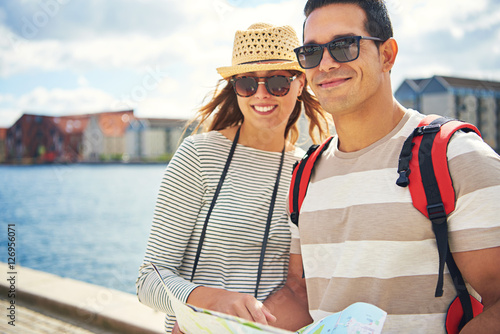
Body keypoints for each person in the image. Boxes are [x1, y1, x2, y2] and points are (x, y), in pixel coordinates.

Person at [264, 1, 500, 333]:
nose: (326, 64)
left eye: (343, 46)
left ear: (387, 55)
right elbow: (302, 294)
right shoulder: (305, 174)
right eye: (312, 52)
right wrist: (229, 325)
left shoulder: (455, 156)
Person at [136, 22, 330, 333]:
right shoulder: (198, 156)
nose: (262, 95)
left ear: (300, 83)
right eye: (247, 84)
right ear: (235, 88)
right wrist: (211, 302)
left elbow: (300, 289)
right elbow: (149, 280)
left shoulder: (306, 170)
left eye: (278, 82)